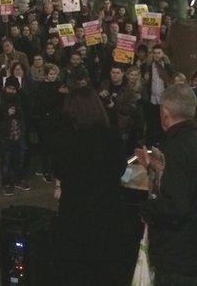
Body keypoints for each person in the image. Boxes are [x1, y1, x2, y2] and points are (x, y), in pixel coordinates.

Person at [52, 87, 137, 285]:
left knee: (77, 272)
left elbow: (58, 169)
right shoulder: (111, 136)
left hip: (75, 213)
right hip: (107, 212)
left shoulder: (64, 139)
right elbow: (119, 168)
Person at [136, 84, 197, 285]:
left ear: (165, 113)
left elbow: (175, 205)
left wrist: (145, 209)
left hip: (175, 250)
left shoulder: (174, 148)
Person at [0, 76, 28, 195]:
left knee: (19, 159)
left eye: (14, 89)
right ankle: (6, 183)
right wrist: (5, 113)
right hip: (5, 135)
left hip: (19, 133)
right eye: (9, 88)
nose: (11, 91)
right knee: (6, 160)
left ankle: (18, 180)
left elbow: (27, 108)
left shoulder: (19, 98)